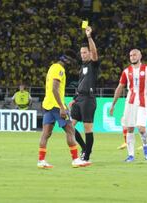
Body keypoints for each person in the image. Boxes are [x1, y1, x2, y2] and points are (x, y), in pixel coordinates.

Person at [37, 49, 90, 169]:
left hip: (48, 104)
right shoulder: (59, 70)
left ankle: (41, 160)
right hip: (56, 105)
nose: (71, 64)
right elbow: (55, 89)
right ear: (67, 60)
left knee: (46, 133)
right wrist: (62, 107)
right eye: (71, 61)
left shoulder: (52, 67)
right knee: (70, 130)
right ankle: (76, 159)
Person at [109, 49, 147, 162]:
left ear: (140, 56)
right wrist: (113, 104)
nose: (132, 57)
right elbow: (120, 87)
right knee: (129, 128)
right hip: (130, 102)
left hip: (143, 101)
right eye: (131, 55)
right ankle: (131, 155)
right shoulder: (126, 71)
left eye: (135, 54)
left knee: (141, 128)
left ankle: (145, 145)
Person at [69, 26, 100, 162]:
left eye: (85, 52)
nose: (83, 55)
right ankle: (84, 148)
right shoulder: (82, 67)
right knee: (69, 126)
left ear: (89, 53)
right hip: (79, 98)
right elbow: (81, 84)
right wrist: (74, 99)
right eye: (81, 53)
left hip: (88, 99)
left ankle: (86, 157)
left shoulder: (93, 65)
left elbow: (94, 51)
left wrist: (89, 37)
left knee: (88, 129)